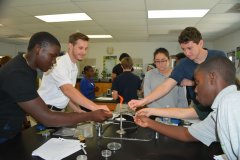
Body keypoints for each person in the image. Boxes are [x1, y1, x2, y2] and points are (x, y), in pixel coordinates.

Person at [0, 32, 112, 143]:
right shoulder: (18, 73)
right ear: (38, 49)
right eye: (52, 56)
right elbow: (51, 113)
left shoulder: (27, 67)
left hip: (13, 124)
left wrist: (78, 110)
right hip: (9, 128)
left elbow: (66, 94)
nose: (54, 62)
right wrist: (92, 112)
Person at [135, 56, 240, 160]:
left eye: (198, 83)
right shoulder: (217, 115)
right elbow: (186, 134)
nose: (195, 90)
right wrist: (149, 122)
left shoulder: (232, 103)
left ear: (212, 77)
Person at [129, 27, 226, 120]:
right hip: (199, 110)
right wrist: (143, 101)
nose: (187, 53)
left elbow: (223, 84)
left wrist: (192, 83)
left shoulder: (219, 56)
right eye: (183, 49)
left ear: (200, 43)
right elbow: (166, 86)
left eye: (189, 48)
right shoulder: (183, 64)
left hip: (222, 107)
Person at [38, 32, 109, 113]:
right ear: (70, 46)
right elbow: (67, 90)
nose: (84, 52)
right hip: (44, 109)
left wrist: (78, 110)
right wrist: (95, 107)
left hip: (58, 110)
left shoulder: (74, 67)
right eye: (80, 48)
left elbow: (66, 94)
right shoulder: (59, 63)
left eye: (86, 49)